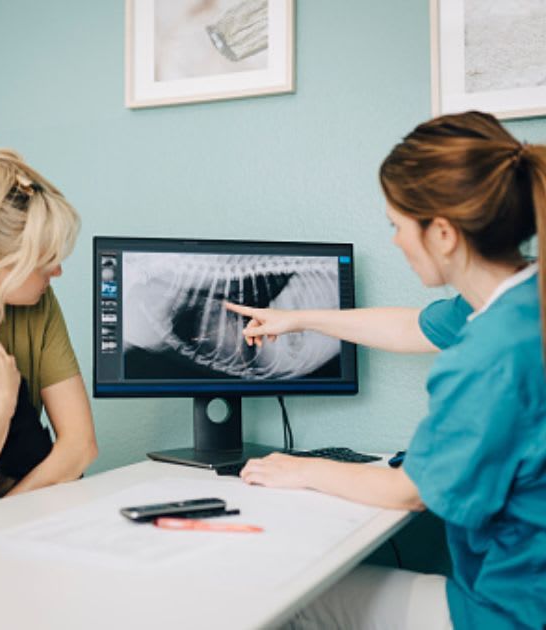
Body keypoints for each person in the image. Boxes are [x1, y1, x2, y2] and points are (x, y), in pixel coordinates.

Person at [225, 111, 545, 628]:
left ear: (442, 233)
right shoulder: (521, 297)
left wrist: (299, 468)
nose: (395, 241)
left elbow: (409, 492)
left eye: (398, 226)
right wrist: (299, 317)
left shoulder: (488, 354)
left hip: (514, 612)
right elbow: (412, 327)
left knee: (287, 597)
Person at [0, 147, 98, 509]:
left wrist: (7, 521)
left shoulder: (37, 304)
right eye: (44, 261)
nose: (58, 271)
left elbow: (79, 447)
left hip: (32, 513)